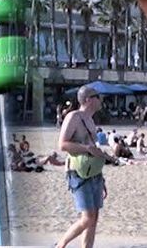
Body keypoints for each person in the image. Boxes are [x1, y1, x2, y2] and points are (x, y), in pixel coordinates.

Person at [56, 85, 118, 248]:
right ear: (88, 99)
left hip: (93, 172)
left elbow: (93, 151)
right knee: (87, 218)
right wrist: (86, 148)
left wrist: (101, 177)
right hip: (77, 172)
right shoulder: (74, 117)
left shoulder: (90, 120)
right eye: (98, 97)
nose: (101, 100)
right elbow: (62, 145)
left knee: (94, 218)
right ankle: (60, 244)